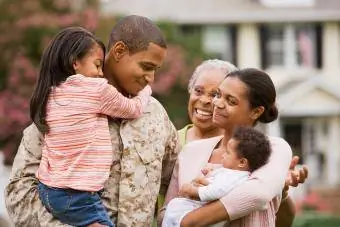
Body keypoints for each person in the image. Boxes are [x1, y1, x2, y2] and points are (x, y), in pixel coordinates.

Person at [5, 15, 180, 227]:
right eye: (146, 66)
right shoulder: (62, 106)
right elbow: (18, 194)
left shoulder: (155, 114)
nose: (151, 78)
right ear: (119, 51)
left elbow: (176, 180)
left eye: (155, 70)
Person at [158, 59, 308, 226]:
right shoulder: (190, 151)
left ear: (256, 111)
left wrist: (189, 220)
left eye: (231, 101)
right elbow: (164, 214)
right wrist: (188, 196)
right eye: (219, 95)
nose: (217, 103)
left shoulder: (273, 149)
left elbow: (258, 195)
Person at [31, 26, 153, 227]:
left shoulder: (51, 93)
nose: (101, 73)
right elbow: (133, 109)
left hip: (48, 190)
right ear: (75, 63)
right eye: (97, 65)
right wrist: (146, 90)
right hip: (77, 195)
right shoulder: (96, 89)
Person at [162, 126, 272, 227]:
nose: (223, 155)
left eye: (228, 153)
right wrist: (209, 171)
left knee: (174, 210)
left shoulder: (235, 177)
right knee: (174, 209)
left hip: (199, 209)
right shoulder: (232, 172)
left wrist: (193, 191)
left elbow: (217, 191)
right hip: (197, 208)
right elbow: (218, 176)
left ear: (242, 162)